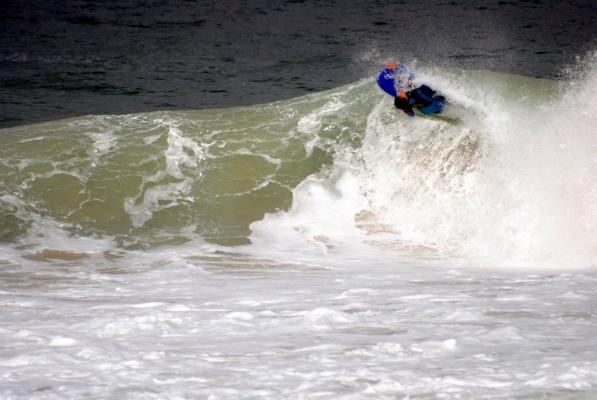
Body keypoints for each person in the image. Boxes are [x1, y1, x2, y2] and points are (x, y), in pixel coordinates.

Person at [377, 62, 446, 117]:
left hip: (426, 109)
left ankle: (412, 109)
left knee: (414, 99)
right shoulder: (413, 93)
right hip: (432, 106)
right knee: (419, 95)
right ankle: (437, 109)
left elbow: (393, 66)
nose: (404, 94)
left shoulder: (393, 87)